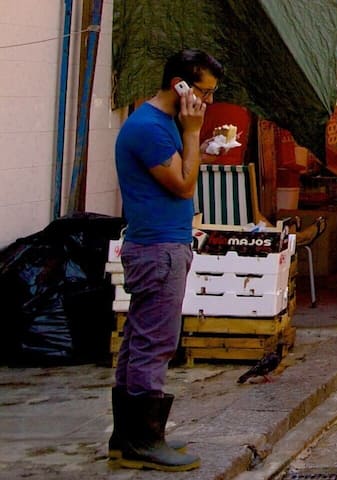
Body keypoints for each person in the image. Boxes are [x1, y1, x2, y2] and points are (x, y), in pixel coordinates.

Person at [111, 48, 224, 472]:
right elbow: (182, 184)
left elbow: (178, 170)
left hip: (160, 245)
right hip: (159, 248)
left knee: (139, 340)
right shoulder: (150, 128)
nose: (207, 101)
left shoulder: (160, 124)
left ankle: (127, 437)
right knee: (155, 343)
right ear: (180, 85)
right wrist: (193, 133)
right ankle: (144, 440)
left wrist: (198, 145)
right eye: (204, 92)